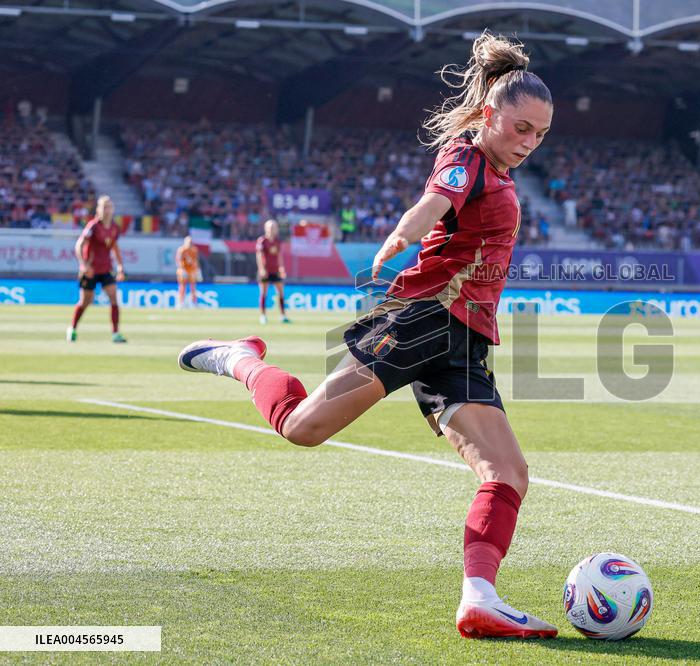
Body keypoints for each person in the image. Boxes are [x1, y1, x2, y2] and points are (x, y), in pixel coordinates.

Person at [177, 32, 556, 639]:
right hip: (420, 322)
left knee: (508, 473)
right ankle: (241, 360)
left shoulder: (500, 170)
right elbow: (434, 202)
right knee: (302, 428)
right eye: (521, 128)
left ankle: (480, 599)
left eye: (540, 133)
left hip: (464, 343)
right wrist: (403, 235)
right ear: (490, 113)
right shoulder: (466, 157)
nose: (530, 142)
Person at [67, 195, 127, 343]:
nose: (107, 210)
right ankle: (72, 328)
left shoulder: (114, 228)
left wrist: (120, 266)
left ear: (113, 210)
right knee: (85, 301)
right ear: (99, 210)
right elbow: (79, 245)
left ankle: (115, 333)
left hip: (106, 268)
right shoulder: (93, 226)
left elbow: (115, 247)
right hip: (91, 270)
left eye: (109, 207)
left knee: (113, 297)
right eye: (104, 207)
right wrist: (83, 264)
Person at [256, 219, 289, 324]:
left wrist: (281, 268)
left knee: (281, 293)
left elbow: (279, 256)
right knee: (263, 293)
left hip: (275, 270)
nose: (272, 229)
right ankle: (263, 316)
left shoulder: (277, 242)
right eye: (270, 227)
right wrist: (261, 269)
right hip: (265, 271)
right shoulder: (262, 241)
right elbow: (259, 255)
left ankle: (283, 315)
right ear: (266, 228)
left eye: (274, 227)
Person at [175, 236, 200, 309]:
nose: (190, 244)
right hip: (183, 269)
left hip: (191, 270)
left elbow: (195, 260)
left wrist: (197, 270)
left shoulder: (194, 250)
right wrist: (182, 269)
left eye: (191, 242)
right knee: (182, 287)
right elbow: (178, 260)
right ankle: (180, 303)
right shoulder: (181, 250)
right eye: (189, 242)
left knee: (193, 287)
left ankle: (194, 303)